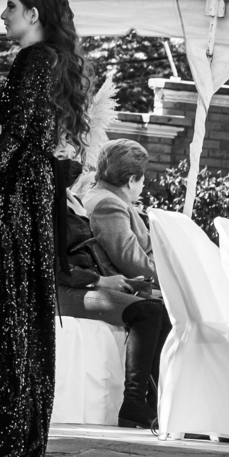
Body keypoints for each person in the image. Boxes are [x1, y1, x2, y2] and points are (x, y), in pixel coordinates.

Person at [0, 0, 88, 457]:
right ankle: (23, 436)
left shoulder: (35, 60)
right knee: (25, 314)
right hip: (35, 193)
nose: (3, 15)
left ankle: (5, 439)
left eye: (10, 7)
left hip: (20, 195)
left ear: (34, 14)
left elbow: (16, 135)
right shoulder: (56, 59)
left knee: (5, 314)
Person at [56, 157, 170, 429]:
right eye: (62, 152)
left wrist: (120, 281)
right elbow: (52, 264)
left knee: (159, 307)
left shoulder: (72, 200)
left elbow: (86, 253)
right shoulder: (49, 204)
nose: (72, 161)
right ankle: (132, 404)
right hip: (61, 290)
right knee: (149, 310)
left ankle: (153, 403)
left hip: (83, 283)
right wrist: (100, 282)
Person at [85, 141, 158, 285]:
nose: (144, 183)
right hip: (134, 288)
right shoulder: (109, 205)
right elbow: (132, 262)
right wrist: (176, 281)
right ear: (131, 180)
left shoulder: (101, 195)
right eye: (143, 176)